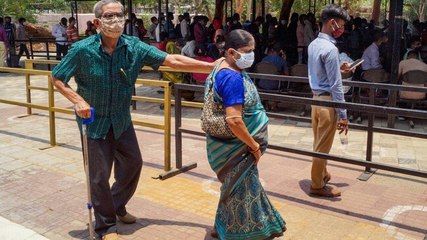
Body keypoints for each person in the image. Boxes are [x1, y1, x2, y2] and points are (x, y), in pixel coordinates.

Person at [51, 1, 216, 239]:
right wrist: (77, 100)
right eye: (109, 16)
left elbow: (172, 60)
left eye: (119, 15)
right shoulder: (82, 50)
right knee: (99, 177)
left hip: (121, 120)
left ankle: (116, 205)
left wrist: (212, 66)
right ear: (97, 22)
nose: (116, 19)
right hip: (94, 122)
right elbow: (57, 78)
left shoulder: (133, 47)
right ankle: (106, 226)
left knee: (133, 164)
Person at [205, 29, 286, 240]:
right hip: (236, 148)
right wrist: (254, 145)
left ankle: (219, 227)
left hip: (229, 148)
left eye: (253, 50)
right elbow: (234, 120)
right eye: (247, 51)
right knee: (242, 192)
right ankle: (240, 234)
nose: (251, 55)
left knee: (234, 188)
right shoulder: (231, 77)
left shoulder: (220, 66)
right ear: (231, 52)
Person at [307, 4, 350, 197]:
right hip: (328, 103)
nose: (342, 29)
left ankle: (322, 174)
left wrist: (338, 69)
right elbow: (336, 86)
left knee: (319, 142)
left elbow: (321, 73)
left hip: (316, 100)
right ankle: (317, 185)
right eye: (340, 24)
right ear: (332, 22)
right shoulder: (331, 49)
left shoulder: (314, 45)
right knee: (322, 147)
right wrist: (343, 114)